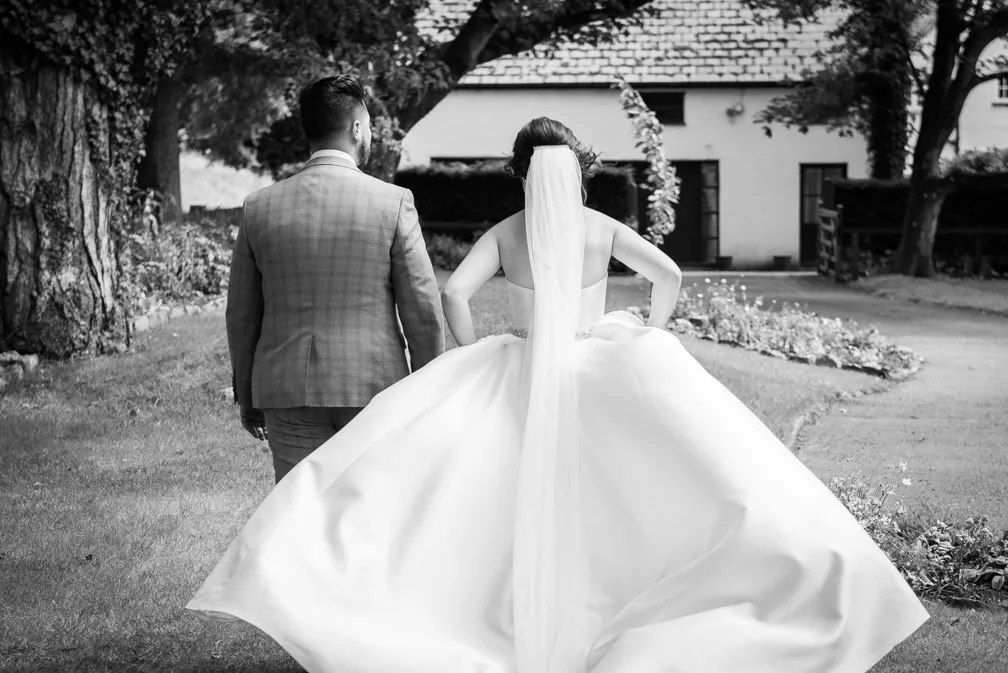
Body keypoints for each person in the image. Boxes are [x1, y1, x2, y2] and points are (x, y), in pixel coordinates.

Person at [188, 117, 929, 672]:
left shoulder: (508, 230)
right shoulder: (602, 226)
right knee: (644, 490)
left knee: (484, 498)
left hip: (520, 367)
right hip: (598, 364)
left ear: (519, 174)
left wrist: (479, 342)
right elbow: (669, 274)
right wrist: (642, 326)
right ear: (576, 171)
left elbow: (453, 289)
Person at [224, 74, 444, 483]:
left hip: (287, 388)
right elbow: (422, 309)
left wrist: (247, 392)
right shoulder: (393, 202)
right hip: (374, 387)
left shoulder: (260, 207)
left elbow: (241, 313)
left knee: (298, 513)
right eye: (371, 126)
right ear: (357, 128)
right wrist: (430, 389)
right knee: (371, 510)